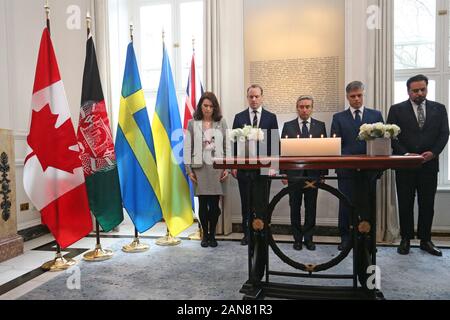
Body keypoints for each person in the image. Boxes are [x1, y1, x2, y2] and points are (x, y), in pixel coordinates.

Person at [387, 74, 449, 256]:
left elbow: (444, 134)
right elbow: (392, 136)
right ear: (408, 91)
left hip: (429, 165)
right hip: (405, 165)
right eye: (415, 90)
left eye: (423, 89)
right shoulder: (396, 110)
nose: (420, 93)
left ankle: (425, 240)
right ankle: (405, 239)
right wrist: (406, 154)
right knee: (405, 203)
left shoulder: (439, 108)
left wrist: (434, 153)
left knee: (427, 204)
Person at [331, 81, 383, 250]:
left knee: (368, 205)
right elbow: (335, 145)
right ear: (347, 98)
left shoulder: (375, 116)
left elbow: (382, 143)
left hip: (369, 171)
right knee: (346, 205)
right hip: (346, 170)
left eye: (359, 95)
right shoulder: (338, 118)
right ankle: (345, 238)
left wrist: (379, 169)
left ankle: (368, 238)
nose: (356, 99)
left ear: (363, 94)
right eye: (353, 96)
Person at [231, 85, 279, 245]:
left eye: (256, 96)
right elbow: (234, 144)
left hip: (264, 168)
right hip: (244, 169)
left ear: (262, 97)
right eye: (251, 97)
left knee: (262, 202)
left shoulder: (271, 117)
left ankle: (262, 233)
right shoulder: (239, 117)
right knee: (246, 203)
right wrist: (234, 166)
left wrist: (274, 166)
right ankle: (248, 234)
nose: (254, 99)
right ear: (247, 98)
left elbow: (274, 143)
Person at [281, 95, 327, 251]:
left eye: (308, 106)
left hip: (313, 175)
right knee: (294, 207)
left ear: (312, 108)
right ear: (297, 108)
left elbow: (324, 152)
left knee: (311, 207)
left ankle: (308, 238)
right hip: (294, 174)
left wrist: (323, 174)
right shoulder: (288, 126)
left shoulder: (320, 126)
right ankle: (297, 239)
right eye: (301, 106)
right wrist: (284, 173)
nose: (305, 109)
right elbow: (283, 152)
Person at [184, 92, 229, 248]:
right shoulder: (192, 123)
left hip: (217, 168)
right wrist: (189, 170)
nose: (208, 109)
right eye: (205, 105)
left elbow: (226, 146)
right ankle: (205, 235)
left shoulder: (221, 122)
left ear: (214, 107)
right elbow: (187, 147)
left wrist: (227, 168)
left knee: (215, 206)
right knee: (203, 204)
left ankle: (212, 235)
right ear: (200, 106)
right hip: (199, 169)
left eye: (211, 106)